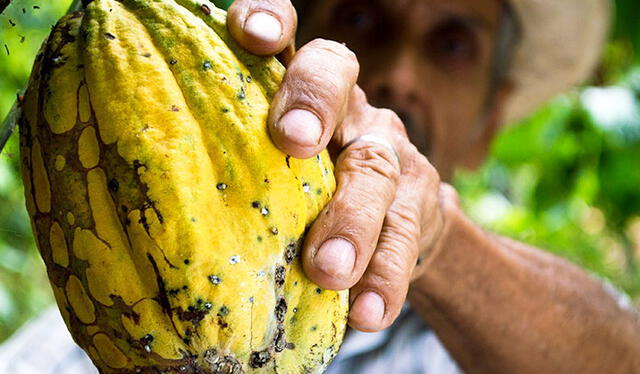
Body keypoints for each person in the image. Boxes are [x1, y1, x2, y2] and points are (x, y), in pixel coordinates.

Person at [1, 0, 639, 373]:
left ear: (489, 122)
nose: (397, 73)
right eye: (363, 13)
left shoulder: (520, 339)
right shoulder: (71, 340)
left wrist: (437, 242)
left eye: (452, 43)